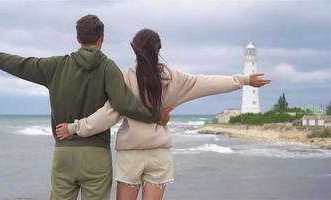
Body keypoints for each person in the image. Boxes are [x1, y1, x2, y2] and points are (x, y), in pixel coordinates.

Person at [55, 28, 271, 200]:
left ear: (134, 50)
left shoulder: (125, 79)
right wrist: (243, 80)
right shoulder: (175, 79)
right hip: (160, 155)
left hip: (131, 155)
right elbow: (208, 83)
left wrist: (75, 128)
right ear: (159, 49)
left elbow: (108, 115)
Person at [0, 15, 166, 200]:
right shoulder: (108, 67)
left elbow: (20, 64)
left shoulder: (56, 66)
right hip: (96, 155)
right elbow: (124, 104)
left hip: (64, 154)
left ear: (77, 38)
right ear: (102, 38)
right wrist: (154, 116)